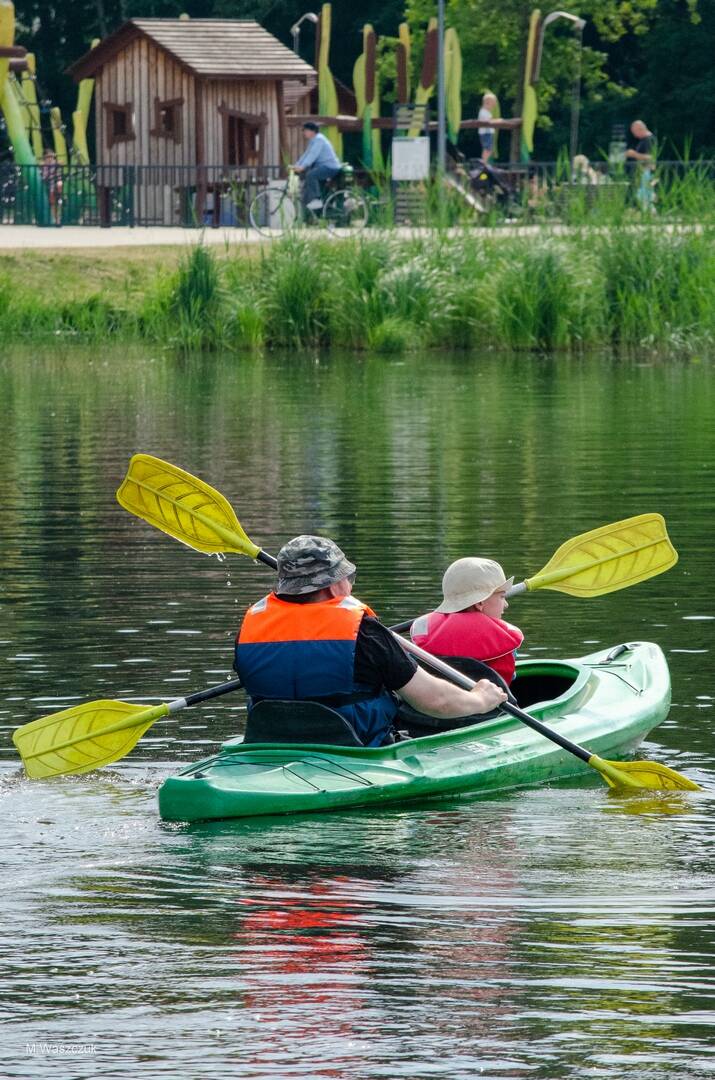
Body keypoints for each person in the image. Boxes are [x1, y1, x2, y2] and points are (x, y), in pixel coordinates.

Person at [234, 536, 507, 748]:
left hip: (268, 745)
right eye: (348, 578)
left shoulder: (252, 626)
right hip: (357, 750)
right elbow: (436, 702)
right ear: (334, 585)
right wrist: (479, 699)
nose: (350, 586)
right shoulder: (364, 633)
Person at [411, 558, 524, 686]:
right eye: (502, 597)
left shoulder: (422, 633)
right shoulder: (506, 641)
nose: (506, 604)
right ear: (480, 603)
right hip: (490, 698)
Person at [292, 122, 341, 210]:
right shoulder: (313, 140)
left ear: (312, 131)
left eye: (305, 130)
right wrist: (296, 165)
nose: (303, 133)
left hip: (330, 167)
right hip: (324, 167)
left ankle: (316, 200)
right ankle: (322, 208)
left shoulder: (319, 139)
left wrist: (303, 166)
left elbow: (313, 155)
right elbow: (306, 154)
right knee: (313, 183)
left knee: (311, 175)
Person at [625, 119, 656, 210]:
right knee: (642, 196)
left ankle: (650, 213)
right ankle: (649, 212)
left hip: (646, 173)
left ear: (640, 129)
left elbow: (651, 157)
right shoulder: (643, 140)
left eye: (634, 132)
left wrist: (634, 154)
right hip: (641, 173)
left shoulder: (649, 140)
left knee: (644, 196)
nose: (634, 135)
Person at [477, 93, 498, 163]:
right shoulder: (483, 112)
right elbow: (488, 121)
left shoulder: (486, 112)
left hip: (487, 132)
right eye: (492, 104)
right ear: (488, 103)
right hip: (486, 132)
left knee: (488, 149)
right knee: (487, 148)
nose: (493, 106)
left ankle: (484, 162)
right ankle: (484, 162)